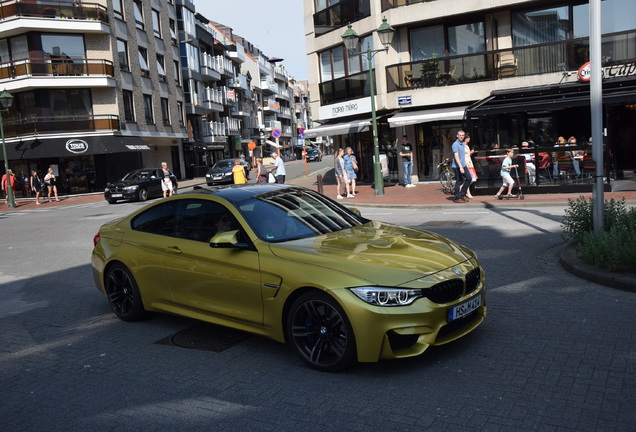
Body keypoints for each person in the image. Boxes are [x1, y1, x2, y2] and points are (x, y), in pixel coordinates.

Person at [451, 130, 471, 203]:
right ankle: (457, 198)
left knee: (469, 178)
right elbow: (456, 157)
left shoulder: (462, 144)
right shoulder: (455, 144)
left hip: (463, 165)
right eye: (460, 135)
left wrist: (465, 164)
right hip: (457, 166)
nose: (461, 136)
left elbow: (462, 156)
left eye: (463, 135)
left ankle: (462, 194)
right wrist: (460, 167)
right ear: (457, 136)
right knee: (459, 181)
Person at [464, 133, 477, 199]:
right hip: (467, 163)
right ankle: (467, 192)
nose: (469, 139)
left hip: (469, 162)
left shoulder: (466, 145)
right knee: (470, 178)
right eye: (468, 138)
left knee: (473, 178)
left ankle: (465, 188)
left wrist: (470, 153)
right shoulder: (463, 145)